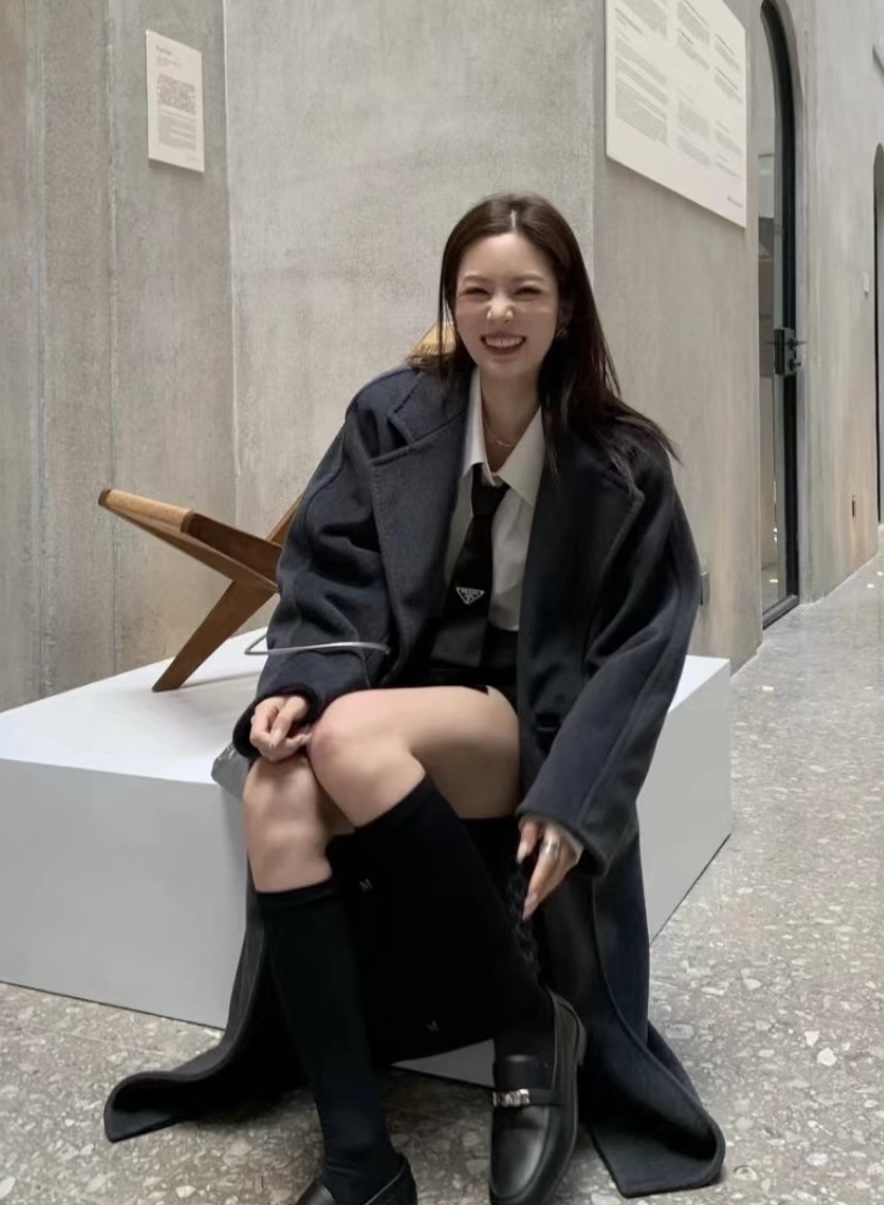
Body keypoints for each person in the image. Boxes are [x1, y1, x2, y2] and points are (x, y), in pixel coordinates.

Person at [103, 193, 725, 1204]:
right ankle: (361, 1158)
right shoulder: (389, 416)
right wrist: (297, 684)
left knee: (348, 738)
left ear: (566, 306)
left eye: (526, 291)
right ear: (451, 301)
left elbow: (644, 644)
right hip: (395, 685)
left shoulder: (623, 460)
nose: (499, 313)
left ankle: (525, 1021)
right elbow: (328, 568)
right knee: (276, 792)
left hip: (527, 710)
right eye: (476, 291)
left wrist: (576, 795)